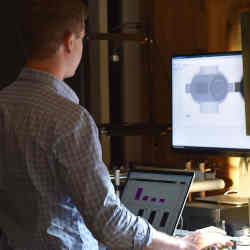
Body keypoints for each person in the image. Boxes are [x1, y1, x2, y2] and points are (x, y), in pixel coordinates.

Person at [0, 0, 233, 249]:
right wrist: (183, 244)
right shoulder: (69, 120)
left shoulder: (4, 104)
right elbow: (109, 223)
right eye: (82, 38)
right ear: (70, 42)